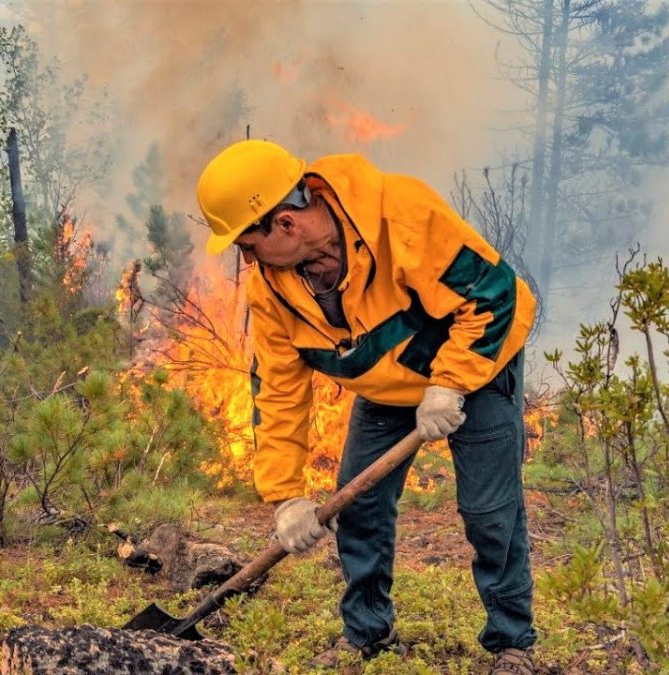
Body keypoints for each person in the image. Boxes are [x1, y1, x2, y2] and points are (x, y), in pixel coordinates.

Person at [196, 139, 538, 675]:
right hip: (383, 389)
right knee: (360, 510)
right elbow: (280, 389)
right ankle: (367, 633)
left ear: (284, 224)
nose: (246, 259)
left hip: (475, 368)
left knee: (489, 514)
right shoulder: (271, 287)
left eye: (246, 244)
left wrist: (449, 383)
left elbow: (496, 297)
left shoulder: (400, 213)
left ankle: (513, 643)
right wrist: (285, 496)